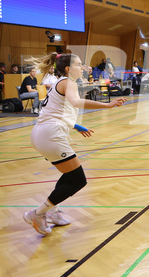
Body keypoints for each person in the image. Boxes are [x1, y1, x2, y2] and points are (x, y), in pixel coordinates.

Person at [23, 53, 126, 236]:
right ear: (69, 68)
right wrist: (108, 105)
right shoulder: (68, 82)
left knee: (69, 176)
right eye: (79, 64)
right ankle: (37, 213)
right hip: (50, 135)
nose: (83, 67)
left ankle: (52, 212)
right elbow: (76, 102)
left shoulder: (59, 82)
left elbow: (56, 110)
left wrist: (76, 126)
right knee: (78, 180)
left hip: (42, 133)